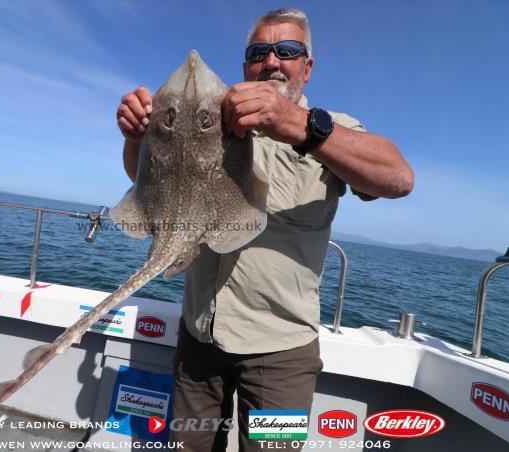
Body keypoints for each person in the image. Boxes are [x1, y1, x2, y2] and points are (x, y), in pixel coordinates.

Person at [116, 8, 413, 452]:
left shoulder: (333, 129)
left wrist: (298, 126)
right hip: (199, 340)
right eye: (259, 52)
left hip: (280, 357)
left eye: (287, 50)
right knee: (188, 447)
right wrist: (139, 135)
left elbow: (398, 179)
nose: (272, 60)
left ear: (306, 67)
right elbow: (144, 181)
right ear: (245, 66)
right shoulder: (213, 117)